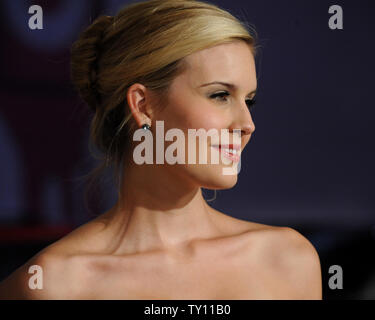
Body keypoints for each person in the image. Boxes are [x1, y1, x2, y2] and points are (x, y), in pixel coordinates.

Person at [0, 0, 322, 299]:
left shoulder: (287, 261)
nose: (247, 123)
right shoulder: (54, 284)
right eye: (220, 95)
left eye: (249, 100)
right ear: (143, 105)